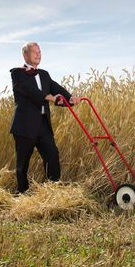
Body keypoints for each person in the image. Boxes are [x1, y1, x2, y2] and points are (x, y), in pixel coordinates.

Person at [10, 42, 81, 194]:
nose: (38, 54)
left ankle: (52, 191)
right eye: (34, 52)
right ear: (25, 55)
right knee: (23, 162)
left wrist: (70, 98)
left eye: (40, 51)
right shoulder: (17, 73)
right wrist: (48, 97)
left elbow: (57, 89)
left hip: (43, 125)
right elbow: (29, 91)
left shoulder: (44, 74)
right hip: (24, 125)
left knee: (52, 155)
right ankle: (21, 192)